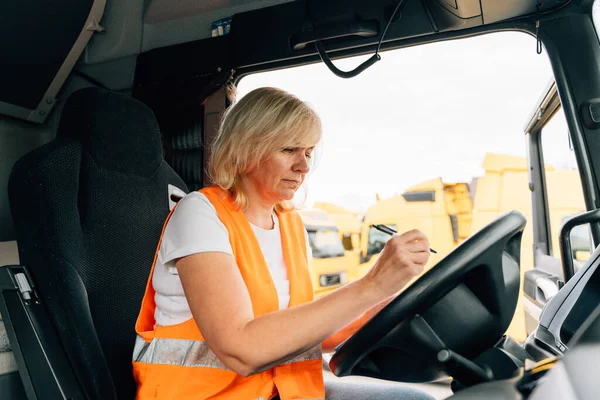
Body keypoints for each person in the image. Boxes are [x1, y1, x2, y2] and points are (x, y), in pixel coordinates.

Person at [132, 87, 435, 400]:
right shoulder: (200, 213)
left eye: (308, 152)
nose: (303, 166)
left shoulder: (291, 224)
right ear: (246, 148)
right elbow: (241, 350)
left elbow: (302, 329)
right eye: (289, 150)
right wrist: (372, 285)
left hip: (287, 393)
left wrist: (391, 306)